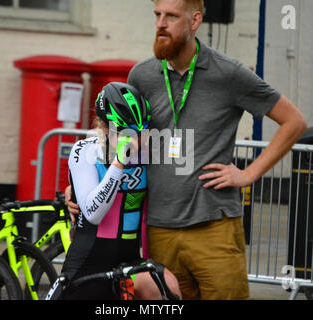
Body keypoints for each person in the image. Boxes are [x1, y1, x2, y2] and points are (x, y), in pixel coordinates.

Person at [67, 0, 307, 300]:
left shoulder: (228, 73)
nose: (160, 24)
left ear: (194, 20)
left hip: (213, 226)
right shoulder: (141, 75)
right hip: (159, 229)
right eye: (157, 15)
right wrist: (78, 186)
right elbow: (116, 140)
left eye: (171, 16)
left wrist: (249, 173)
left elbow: (294, 122)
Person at [51, 82, 181, 300]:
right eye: (126, 133)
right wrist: (119, 162)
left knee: (168, 289)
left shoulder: (148, 154)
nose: (136, 141)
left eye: (142, 132)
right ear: (104, 126)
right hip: (88, 261)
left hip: (129, 258)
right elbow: (93, 213)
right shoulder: (85, 150)